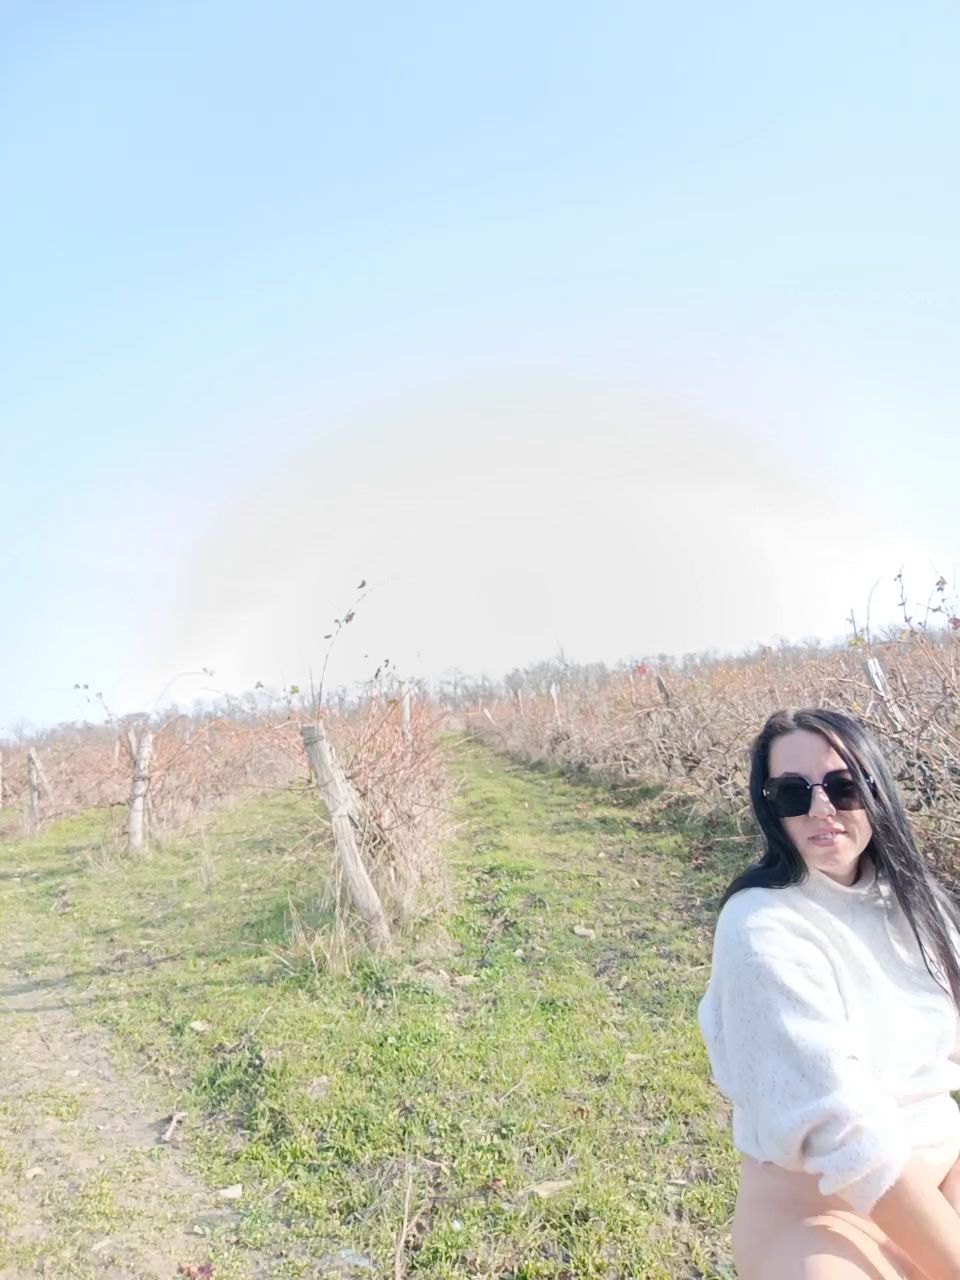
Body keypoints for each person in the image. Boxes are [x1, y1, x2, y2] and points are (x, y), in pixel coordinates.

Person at [697, 707, 960, 1279]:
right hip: (824, 1214)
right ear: (770, 807)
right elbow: (844, 1130)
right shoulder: (760, 926)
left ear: (877, 790)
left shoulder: (920, 907)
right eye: (793, 793)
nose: (821, 808)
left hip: (946, 1171)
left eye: (843, 786)